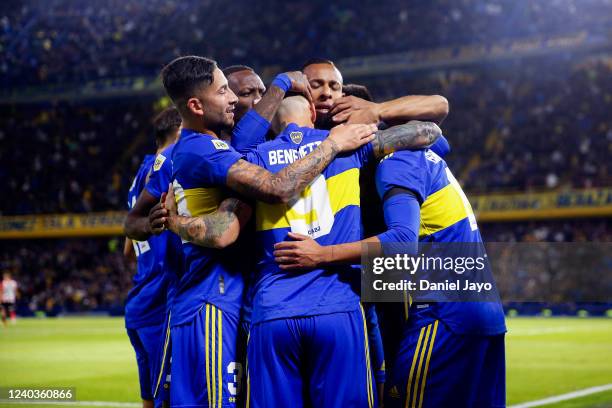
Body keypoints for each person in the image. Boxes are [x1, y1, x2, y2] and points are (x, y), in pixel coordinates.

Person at [157, 55, 376, 408]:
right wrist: (337, 138)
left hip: (263, 305)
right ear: (197, 104)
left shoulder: (247, 153)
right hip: (220, 299)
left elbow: (139, 220)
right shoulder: (209, 150)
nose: (239, 100)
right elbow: (236, 221)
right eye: (228, 91)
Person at [274, 147, 507, 408]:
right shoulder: (425, 153)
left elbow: (402, 240)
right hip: (487, 312)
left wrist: (322, 254)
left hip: (445, 316)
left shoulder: (395, 162)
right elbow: (439, 134)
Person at [124, 107, 181, 408]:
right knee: (167, 398)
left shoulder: (138, 177)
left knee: (150, 399)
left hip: (138, 301)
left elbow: (127, 246)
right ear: (180, 130)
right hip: (161, 303)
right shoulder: (164, 168)